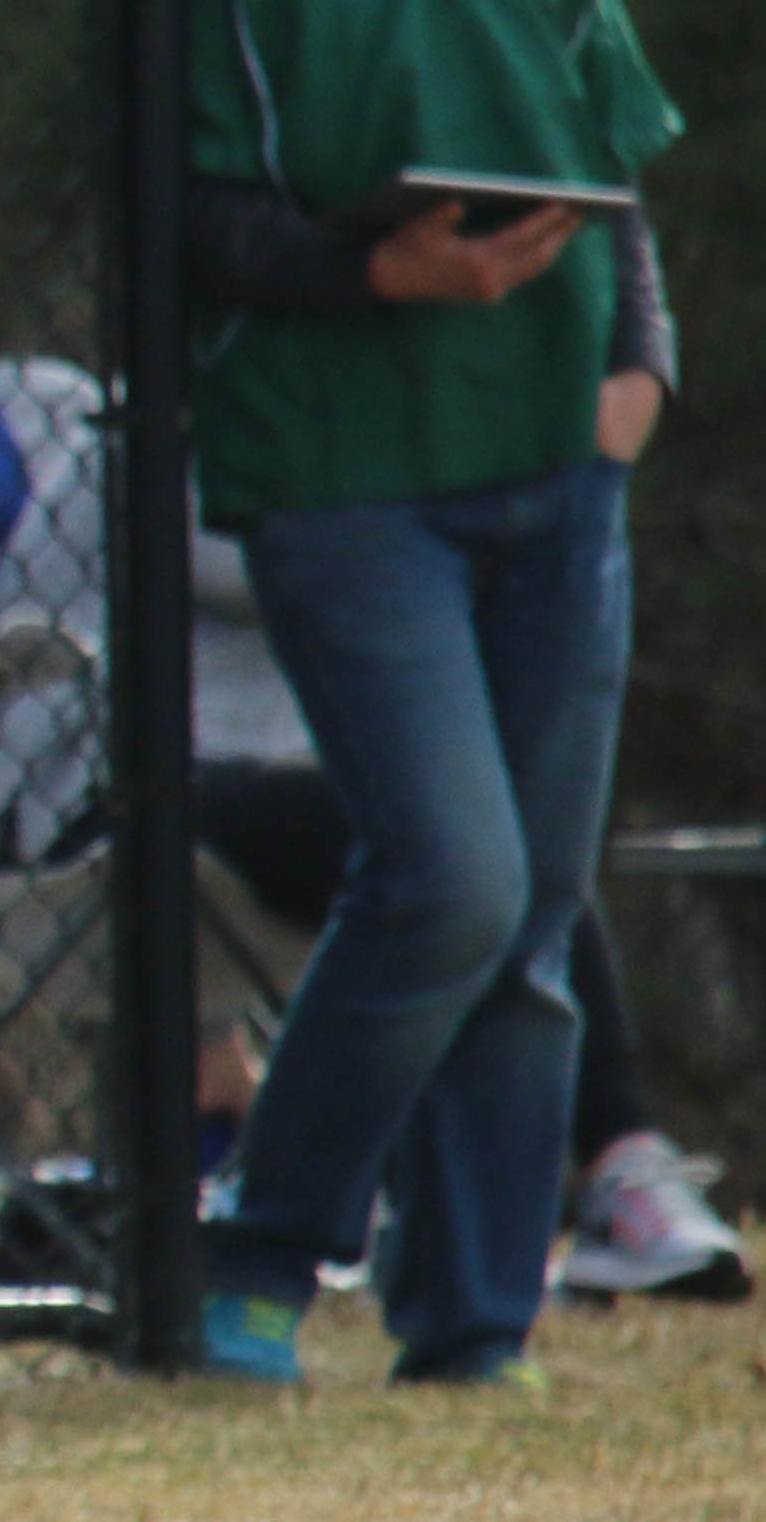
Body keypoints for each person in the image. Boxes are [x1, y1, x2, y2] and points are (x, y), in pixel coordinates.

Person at [180, 0, 679, 1390]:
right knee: (452, 875)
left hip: (557, 454)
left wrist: (639, 374)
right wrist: (380, 276)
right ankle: (265, 1245)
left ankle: (471, 1332)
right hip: (343, 471)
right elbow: (184, 209)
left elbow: (614, 145)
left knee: (530, 919)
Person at [192, 537, 739, 1304]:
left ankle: (598, 1183)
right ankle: (275, 1248)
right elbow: (271, 551)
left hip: (346, 754)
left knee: (507, 854)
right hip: (203, 770)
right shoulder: (151, 438)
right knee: (453, 863)